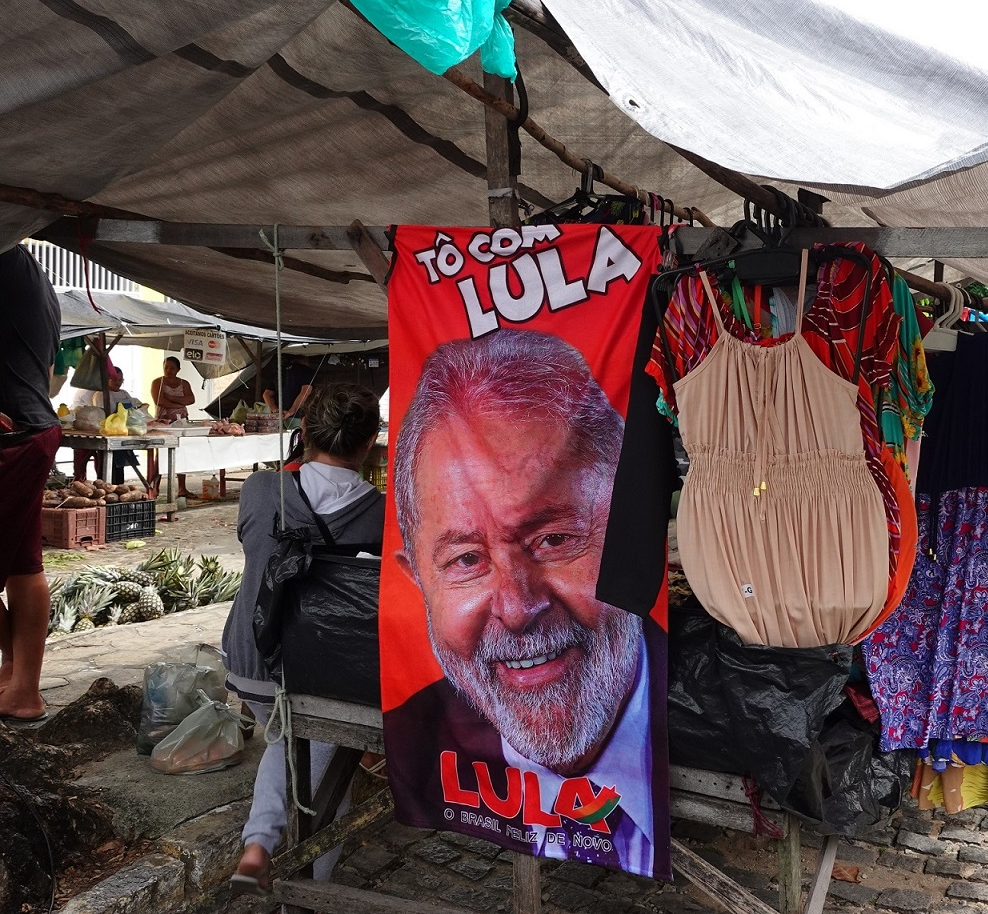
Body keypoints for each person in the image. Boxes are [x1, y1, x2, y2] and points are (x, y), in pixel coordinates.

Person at [386, 329, 659, 874]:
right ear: (417, 580)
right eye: (466, 560)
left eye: (554, 540)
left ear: (631, 530)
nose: (517, 607)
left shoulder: (697, 705)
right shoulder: (412, 744)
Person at [221, 384, 384, 893]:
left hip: (249, 660)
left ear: (304, 431)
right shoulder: (381, 512)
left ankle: (259, 843)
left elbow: (255, 543)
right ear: (370, 444)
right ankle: (310, 889)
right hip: (317, 669)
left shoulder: (261, 489)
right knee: (325, 779)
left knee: (288, 738)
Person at [0, 245, 62, 723]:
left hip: (12, 436)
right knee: (22, 564)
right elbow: (46, 373)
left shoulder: (10, 263)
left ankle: (20, 687)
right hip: (30, 428)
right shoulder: (32, 272)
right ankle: (18, 684)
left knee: (23, 565)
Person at [73, 366, 145, 483]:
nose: (118, 383)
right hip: (109, 432)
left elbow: (132, 409)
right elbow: (101, 415)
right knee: (107, 464)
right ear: (107, 380)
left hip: (123, 432)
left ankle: (119, 485)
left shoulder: (125, 394)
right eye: (115, 380)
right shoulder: (100, 395)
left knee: (119, 466)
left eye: (120, 380)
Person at [263, 354, 315, 423]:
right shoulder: (305, 370)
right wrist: (291, 412)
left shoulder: (280, 372)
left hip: (279, 418)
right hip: (298, 417)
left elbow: (266, 394)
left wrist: (274, 410)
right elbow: (306, 391)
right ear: (305, 358)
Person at [151, 356, 196, 422]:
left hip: (182, 420)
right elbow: (159, 401)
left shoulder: (184, 383)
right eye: (166, 367)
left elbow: (190, 400)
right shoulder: (157, 382)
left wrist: (170, 397)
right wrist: (179, 405)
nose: (168, 370)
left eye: (172, 368)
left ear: (178, 369)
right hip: (163, 420)